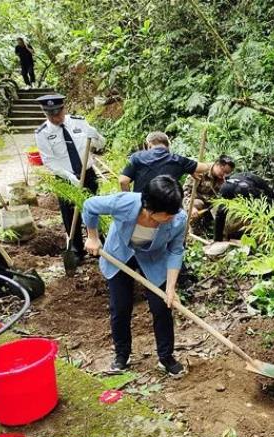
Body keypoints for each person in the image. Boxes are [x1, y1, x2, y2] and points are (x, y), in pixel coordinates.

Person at [82, 176, 186, 377]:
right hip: (120, 253)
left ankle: (166, 357)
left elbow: (175, 251)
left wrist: (170, 288)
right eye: (167, 214)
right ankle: (122, 355)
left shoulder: (177, 219)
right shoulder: (125, 203)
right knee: (120, 307)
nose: (172, 217)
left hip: (153, 259)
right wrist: (93, 237)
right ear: (150, 208)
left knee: (162, 307)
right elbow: (90, 205)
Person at [35, 94, 105, 260]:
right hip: (65, 178)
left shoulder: (79, 122)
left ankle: (97, 243)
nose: (55, 118)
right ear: (46, 113)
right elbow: (49, 160)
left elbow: (100, 145)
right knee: (69, 214)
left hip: (87, 174)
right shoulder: (42, 133)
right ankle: (76, 250)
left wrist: (96, 136)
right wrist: (68, 176)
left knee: (93, 208)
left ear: (64, 109)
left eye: (57, 113)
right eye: (50, 115)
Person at [119, 131, 206, 193]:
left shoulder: (137, 157)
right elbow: (205, 167)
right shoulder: (178, 160)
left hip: (142, 208)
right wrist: (191, 169)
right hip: (166, 210)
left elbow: (123, 181)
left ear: (149, 145)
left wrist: (130, 199)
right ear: (168, 146)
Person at [213, 172, 274, 242]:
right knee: (222, 213)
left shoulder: (251, 188)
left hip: (238, 191)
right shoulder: (227, 190)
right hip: (239, 193)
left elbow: (268, 202)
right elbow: (220, 214)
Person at [183, 155, 235, 232]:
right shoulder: (201, 170)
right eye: (223, 171)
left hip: (211, 205)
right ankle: (191, 232)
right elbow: (185, 192)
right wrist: (191, 207)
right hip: (196, 203)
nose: (224, 175)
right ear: (217, 164)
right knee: (197, 204)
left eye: (227, 173)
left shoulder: (224, 179)